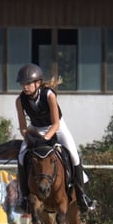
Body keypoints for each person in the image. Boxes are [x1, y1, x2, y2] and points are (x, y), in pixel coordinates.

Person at [14, 63, 96, 213]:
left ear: (38, 83)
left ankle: (82, 195)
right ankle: (24, 198)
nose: (24, 87)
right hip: (36, 129)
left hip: (57, 127)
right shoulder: (20, 100)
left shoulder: (49, 95)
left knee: (73, 154)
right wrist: (28, 138)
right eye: (22, 84)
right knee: (21, 157)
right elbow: (23, 127)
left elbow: (56, 123)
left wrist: (46, 138)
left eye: (28, 83)